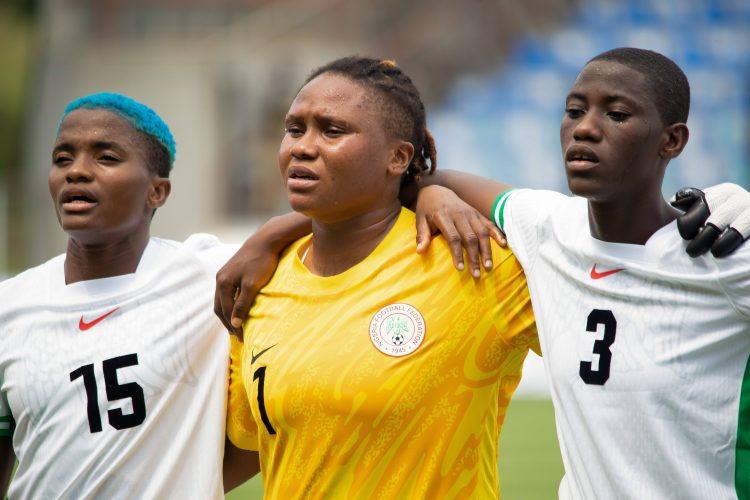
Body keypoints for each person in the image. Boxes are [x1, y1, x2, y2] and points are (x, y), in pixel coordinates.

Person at [409, 48, 750, 498]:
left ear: (672, 141)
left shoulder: (724, 254)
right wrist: (432, 195)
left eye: (617, 114)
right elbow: (432, 180)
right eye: (574, 111)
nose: (585, 128)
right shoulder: (547, 227)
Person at [224, 56, 542, 498]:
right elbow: (249, 445)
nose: (302, 147)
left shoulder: (471, 259)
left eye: (332, 131)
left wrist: (433, 186)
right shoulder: (261, 283)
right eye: (294, 129)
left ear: (398, 157)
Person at [0, 93, 266, 499]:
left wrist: (269, 236)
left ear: (157, 191)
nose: (77, 172)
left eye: (106, 158)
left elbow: (335, 225)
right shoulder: (10, 306)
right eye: (62, 159)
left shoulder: (208, 275)